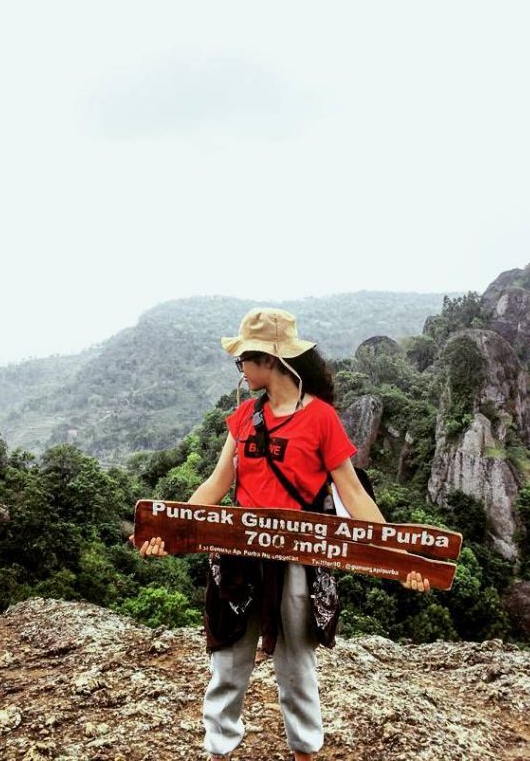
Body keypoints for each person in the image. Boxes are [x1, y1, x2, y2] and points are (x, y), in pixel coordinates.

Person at [139, 307, 429, 761]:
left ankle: (305, 752)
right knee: (229, 661)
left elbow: (352, 492)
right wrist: (171, 531)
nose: (240, 369)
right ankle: (219, 750)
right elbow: (218, 483)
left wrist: (401, 557)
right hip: (238, 555)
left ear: (269, 360)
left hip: (298, 558)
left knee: (296, 666)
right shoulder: (244, 417)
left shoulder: (321, 420)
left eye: (243, 361)